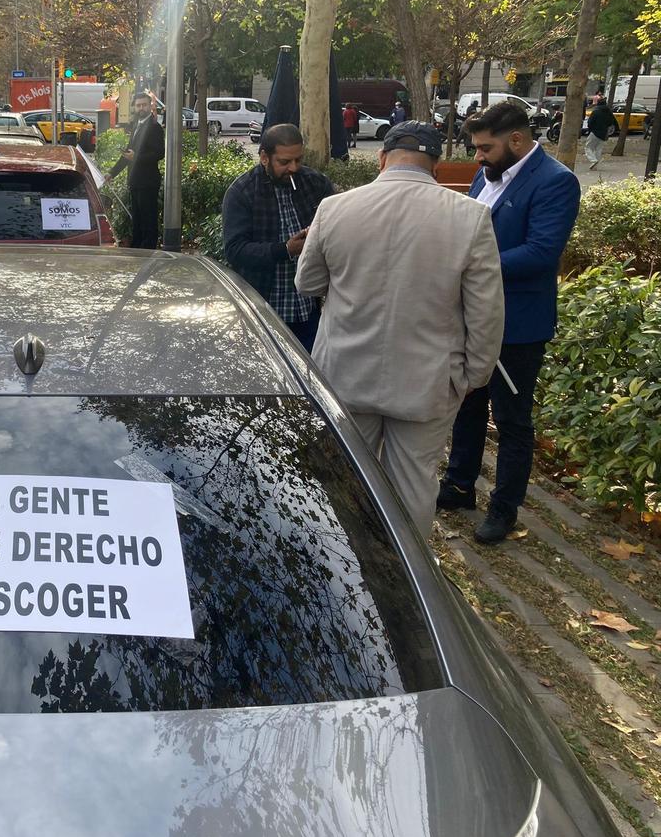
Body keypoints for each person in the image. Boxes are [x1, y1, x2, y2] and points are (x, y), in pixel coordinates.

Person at [295, 122, 504, 540]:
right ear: (436, 165)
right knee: (414, 484)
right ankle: (409, 584)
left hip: (344, 371)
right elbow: (486, 312)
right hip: (428, 379)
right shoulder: (470, 216)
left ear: (382, 157)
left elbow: (308, 282)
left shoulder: (334, 208)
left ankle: (347, 565)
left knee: (345, 479)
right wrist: (471, 377)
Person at [438, 101, 581, 544]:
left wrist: (472, 267)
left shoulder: (557, 182)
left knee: (512, 418)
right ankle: (460, 485)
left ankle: (504, 507)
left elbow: (541, 252)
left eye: (485, 148)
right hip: (473, 315)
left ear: (516, 140)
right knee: (467, 402)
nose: (477, 158)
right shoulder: (488, 173)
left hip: (518, 323)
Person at [221, 123, 334, 352]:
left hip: (306, 309)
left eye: (298, 160)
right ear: (264, 157)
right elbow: (235, 250)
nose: (293, 167)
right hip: (263, 310)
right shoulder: (242, 191)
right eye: (284, 162)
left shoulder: (315, 183)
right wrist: (285, 249)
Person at [107, 92, 165, 249]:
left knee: (148, 220)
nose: (141, 108)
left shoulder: (155, 127)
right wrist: (111, 173)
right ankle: (137, 249)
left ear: (150, 106)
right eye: (138, 105)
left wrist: (136, 157)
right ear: (134, 107)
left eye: (144, 105)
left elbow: (159, 153)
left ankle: (148, 251)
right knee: (137, 220)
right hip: (135, 181)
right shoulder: (136, 125)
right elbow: (128, 154)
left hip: (148, 182)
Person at [584, 95, 616, 170]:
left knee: (588, 147)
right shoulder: (608, 112)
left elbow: (590, 122)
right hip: (604, 132)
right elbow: (611, 121)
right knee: (598, 149)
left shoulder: (596, 111)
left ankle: (593, 160)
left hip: (595, 132)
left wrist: (590, 128)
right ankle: (595, 165)